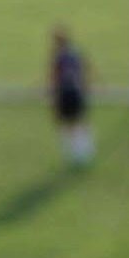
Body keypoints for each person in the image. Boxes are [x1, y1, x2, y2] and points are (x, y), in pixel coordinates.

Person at [49, 26, 95, 166]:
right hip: (77, 91)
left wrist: (52, 94)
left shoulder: (58, 57)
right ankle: (85, 153)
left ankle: (72, 154)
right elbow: (86, 69)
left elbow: (54, 77)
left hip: (65, 92)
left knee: (66, 124)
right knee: (80, 122)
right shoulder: (75, 53)